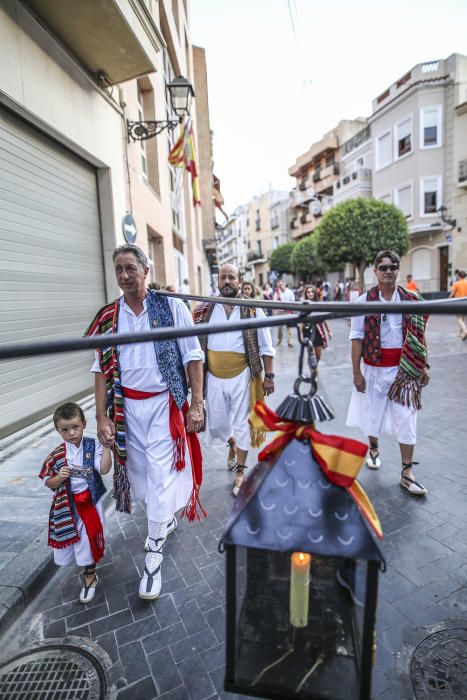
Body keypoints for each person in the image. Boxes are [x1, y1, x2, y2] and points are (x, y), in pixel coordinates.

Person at [85, 244, 205, 600]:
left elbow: (193, 356)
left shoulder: (172, 307)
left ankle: (153, 553)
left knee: (161, 472)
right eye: (119, 269)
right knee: (140, 473)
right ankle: (163, 519)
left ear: (145, 269)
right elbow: (100, 370)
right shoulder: (108, 317)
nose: (124, 275)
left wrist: (196, 403)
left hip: (165, 407)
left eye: (130, 268)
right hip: (127, 412)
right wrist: (101, 416)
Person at [346, 250, 430, 496]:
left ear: (398, 270)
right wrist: (356, 374)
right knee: (373, 417)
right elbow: (356, 339)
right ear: (375, 271)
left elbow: (420, 335)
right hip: (372, 369)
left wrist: (424, 364)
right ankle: (373, 448)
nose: (388, 271)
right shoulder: (363, 302)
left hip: (405, 370)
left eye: (393, 267)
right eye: (383, 267)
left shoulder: (411, 299)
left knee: (407, 418)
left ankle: (407, 472)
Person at [193, 264, 275, 496]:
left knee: (242, 425)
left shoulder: (253, 309)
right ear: (218, 281)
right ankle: (232, 444)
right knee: (218, 425)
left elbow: (267, 347)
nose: (227, 281)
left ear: (240, 281)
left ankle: (241, 471)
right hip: (213, 378)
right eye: (223, 277)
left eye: (232, 277)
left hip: (243, 376)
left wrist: (269, 376)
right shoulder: (205, 309)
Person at [39, 402, 112, 604]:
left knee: (89, 539)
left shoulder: (92, 445)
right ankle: (86, 566)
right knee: (76, 539)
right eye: (65, 429)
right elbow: (48, 482)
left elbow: (104, 469)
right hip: (68, 505)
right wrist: (59, 478)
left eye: (75, 427)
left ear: (84, 424)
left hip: (89, 502)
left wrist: (107, 448)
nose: (71, 433)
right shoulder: (57, 455)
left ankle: (89, 575)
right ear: (58, 430)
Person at [302, 285, 333, 363]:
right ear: (306, 294)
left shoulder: (318, 304)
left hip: (318, 330)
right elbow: (300, 321)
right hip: (307, 330)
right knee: (310, 353)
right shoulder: (303, 305)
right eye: (308, 292)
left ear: (315, 293)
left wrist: (329, 331)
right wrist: (300, 333)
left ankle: (316, 365)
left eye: (312, 292)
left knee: (318, 354)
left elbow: (324, 318)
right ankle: (313, 370)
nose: (310, 294)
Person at [273, 280, 296, 347]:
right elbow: (274, 302)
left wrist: (292, 310)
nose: (281, 286)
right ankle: (279, 340)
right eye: (279, 285)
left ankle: (290, 342)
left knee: (289, 328)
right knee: (280, 328)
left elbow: (293, 301)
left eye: (282, 284)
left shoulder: (289, 292)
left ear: (284, 284)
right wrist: (277, 296)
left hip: (288, 311)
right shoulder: (277, 293)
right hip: (280, 312)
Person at [449, 269, 467, 340]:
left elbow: (452, 294)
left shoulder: (456, 283)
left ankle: (465, 331)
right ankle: (461, 333)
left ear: (459, 276)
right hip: (466, 302)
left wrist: (448, 299)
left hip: (459, 302)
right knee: (462, 318)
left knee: (459, 318)